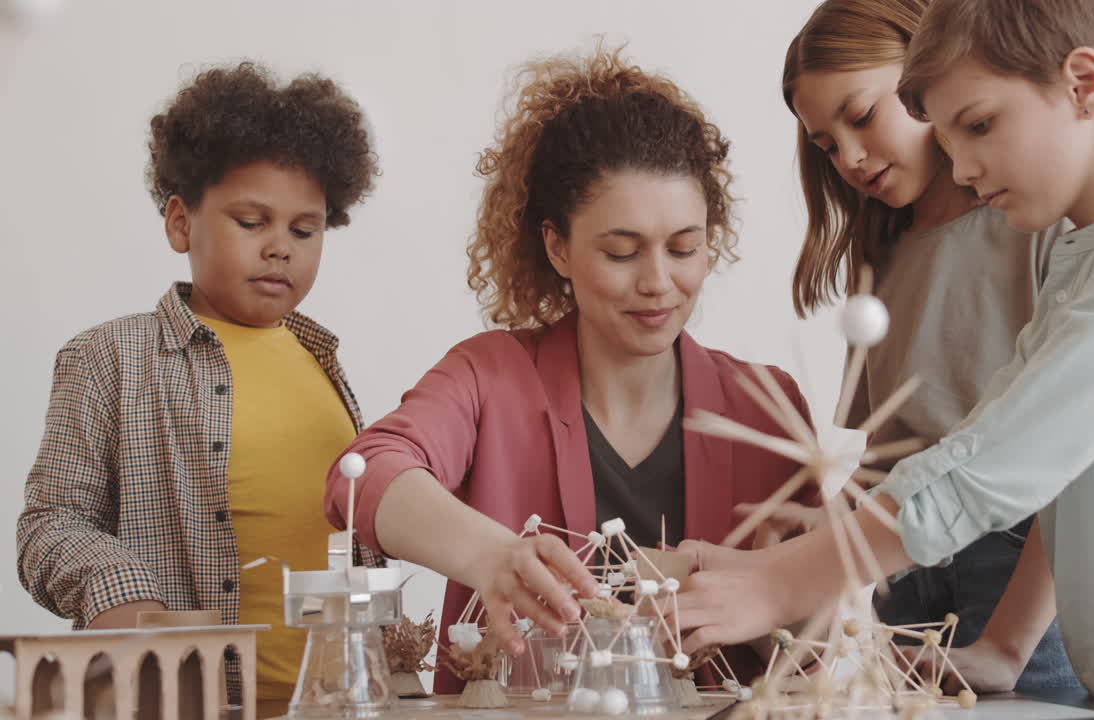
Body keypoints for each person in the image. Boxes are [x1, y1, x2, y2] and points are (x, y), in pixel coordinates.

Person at [676, 2, 1094, 717]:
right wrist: (812, 545)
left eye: (980, 125)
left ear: (1087, 85)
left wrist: (783, 583)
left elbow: (999, 457)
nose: (959, 164)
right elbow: (989, 421)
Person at [325, 46, 812, 694]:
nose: (659, 283)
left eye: (684, 247)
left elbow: (822, 634)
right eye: (621, 251)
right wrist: (493, 557)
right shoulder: (489, 378)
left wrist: (741, 592)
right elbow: (364, 475)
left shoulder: (765, 406)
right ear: (557, 245)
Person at [18, 61, 381, 709]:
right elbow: (50, 523)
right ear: (181, 222)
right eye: (252, 222)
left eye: (304, 230)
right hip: (194, 698)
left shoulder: (321, 358)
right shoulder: (110, 355)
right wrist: (125, 592)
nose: (280, 248)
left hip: (334, 697)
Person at [762, 0, 1078, 692]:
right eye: (824, 144)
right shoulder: (878, 256)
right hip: (905, 579)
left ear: (927, 72)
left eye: (862, 114)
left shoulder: (1036, 224)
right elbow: (888, 457)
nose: (847, 156)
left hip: (1023, 578)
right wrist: (820, 537)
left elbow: (1075, 458)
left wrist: (1010, 639)